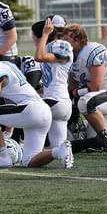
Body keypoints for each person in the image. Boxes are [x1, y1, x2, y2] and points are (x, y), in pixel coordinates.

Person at [0, 42, 74, 168]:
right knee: (29, 161)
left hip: (30, 110)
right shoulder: (7, 64)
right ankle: (58, 151)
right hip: (43, 110)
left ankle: (2, 156)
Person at [63, 23, 107, 153]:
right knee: (97, 144)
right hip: (97, 100)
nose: (63, 43)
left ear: (77, 39)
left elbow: (95, 86)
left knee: (85, 102)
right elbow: (72, 87)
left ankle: (105, 137)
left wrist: (75, 93)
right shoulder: (70, 57)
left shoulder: (93, 50)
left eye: (66, 40)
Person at [32, 17, 73, 149]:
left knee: (26, 111)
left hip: (56, 100)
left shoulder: (59, 45)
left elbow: (39, 57)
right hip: (60, 102)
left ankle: (14, 141)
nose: (32, 38)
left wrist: (44, 34)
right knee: (59, 148)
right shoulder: (49, 47)